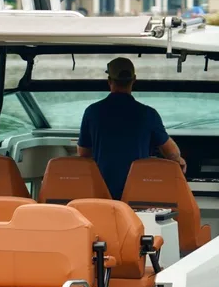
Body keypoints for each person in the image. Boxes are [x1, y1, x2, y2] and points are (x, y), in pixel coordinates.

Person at [78, 57, 187, 200]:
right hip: (138, 193)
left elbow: (83, 155)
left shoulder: (92, 112)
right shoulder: (148, 114)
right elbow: (172, 154)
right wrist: (180, 161)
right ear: (134, 80)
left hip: (102, 193)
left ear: (109, 81)